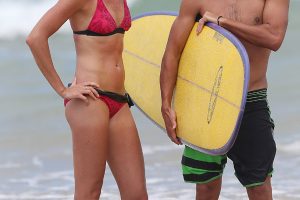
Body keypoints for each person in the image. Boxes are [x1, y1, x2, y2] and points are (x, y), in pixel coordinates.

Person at [160, 0, 289, 199]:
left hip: (250, 100)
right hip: (206, 101)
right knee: (206, 187)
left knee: (259, 186)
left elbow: (274, 37)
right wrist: (166, 104)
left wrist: (222, 22)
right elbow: (173, 52)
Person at [26, 0, 148, 199]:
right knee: (89, 192)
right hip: (91, 100)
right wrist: (62, 90)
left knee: (136, 194)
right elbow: (35, 37)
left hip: (120, 99)